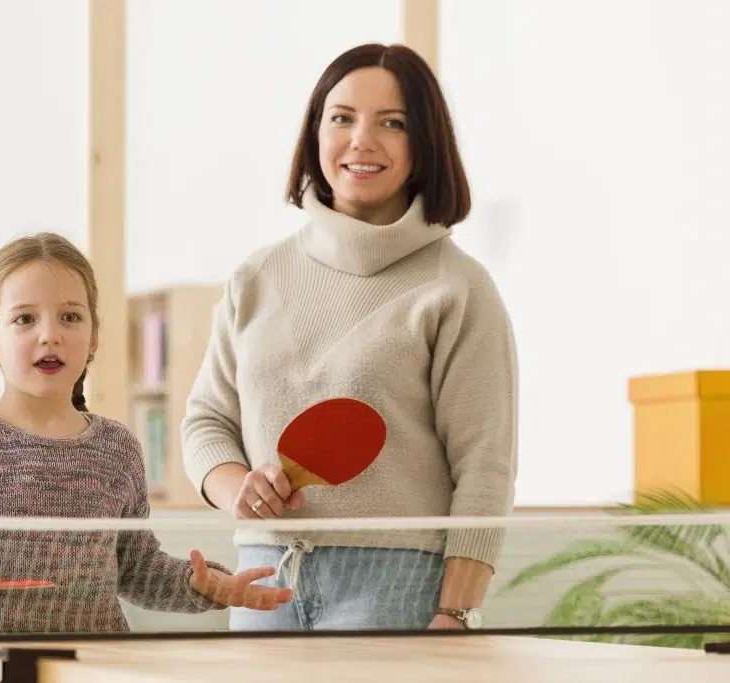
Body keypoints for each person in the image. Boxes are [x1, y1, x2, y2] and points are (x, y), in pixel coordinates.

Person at [181, 43, 518, 633]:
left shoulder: (458, 288)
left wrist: (457, 611)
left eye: (393, 123)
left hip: (397, 583)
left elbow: (484, 467)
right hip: (262, 576)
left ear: (425, 143)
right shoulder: (255, 278)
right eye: (342, 118)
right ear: (316, 131)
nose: (362, 140)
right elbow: (206, 421)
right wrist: (238, 488)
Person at [0, 233, 292, 683]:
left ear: (93, 339)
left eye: (70, 316)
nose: (50, 335)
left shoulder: (117, 449)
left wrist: (202, 584)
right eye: (25, 319)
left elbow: (136, 568)